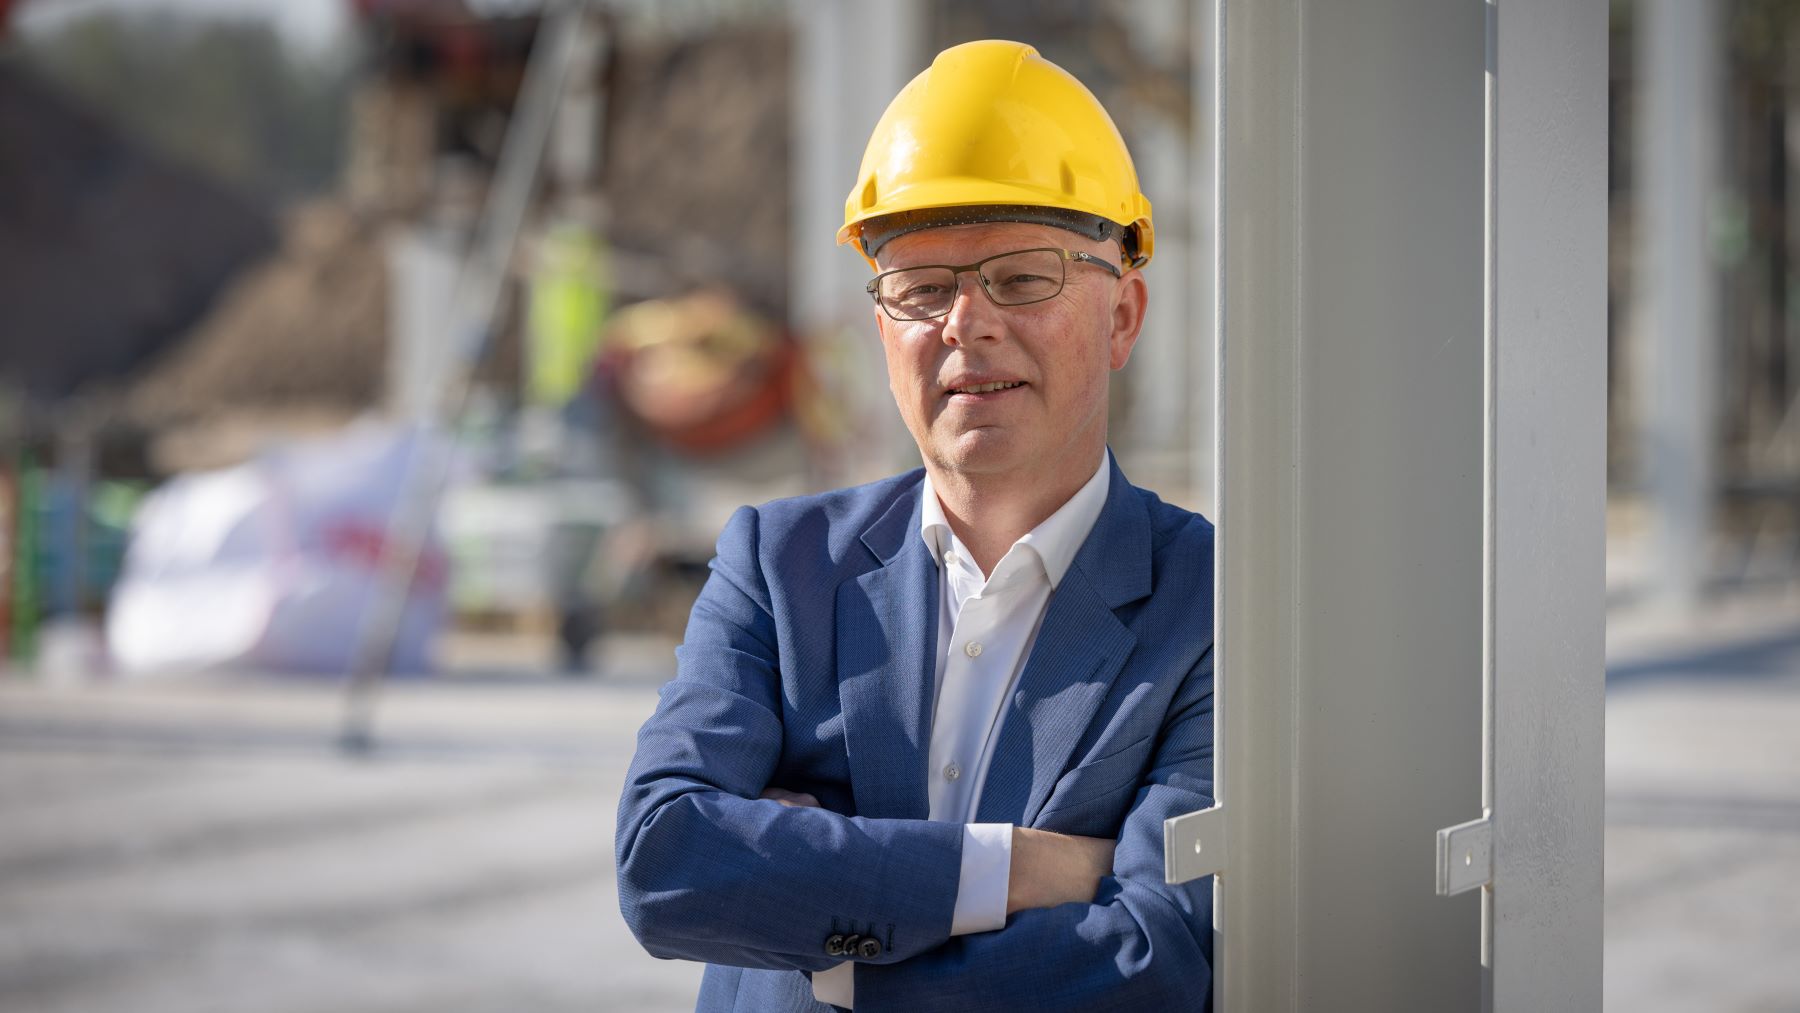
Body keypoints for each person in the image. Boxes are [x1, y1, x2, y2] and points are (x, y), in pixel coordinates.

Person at [616, 40, 1214, 1012]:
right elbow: (663, 859)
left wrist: (830, 946)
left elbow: (1158, 959)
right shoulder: (778, 566)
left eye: (1022, 277)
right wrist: (1017, 869)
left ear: (1124, 316)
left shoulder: (1213, 606)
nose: (965, 323)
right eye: (921, 286)